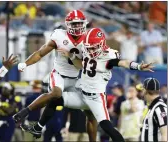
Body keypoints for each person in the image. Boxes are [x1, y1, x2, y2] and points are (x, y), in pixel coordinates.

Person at [20, 28, 154, 142]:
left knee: (107, 127)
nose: (91, 50)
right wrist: (71, 57)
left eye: (94, 47)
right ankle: (38, 128)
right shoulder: (88, 50)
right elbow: (82, 65)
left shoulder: (109, 56)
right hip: (81, 94)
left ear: (102, 44)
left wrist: (139, 66)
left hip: (96, 98)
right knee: (54, 99)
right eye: (89, 47)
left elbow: (123, 63)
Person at [13, 10, 97, 141]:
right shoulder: (59, 36)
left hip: (76, 78)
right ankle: (24, 113)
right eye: (74, 24)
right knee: (56, 93)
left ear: (84, 24)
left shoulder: (89, 40)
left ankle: (38, 127)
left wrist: (72, 56)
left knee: (91, 112)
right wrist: (25, 64)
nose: (77, 27)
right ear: (68, 25)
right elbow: (40, 53)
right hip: (59, 75)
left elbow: (83, 66)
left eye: (79, 23)